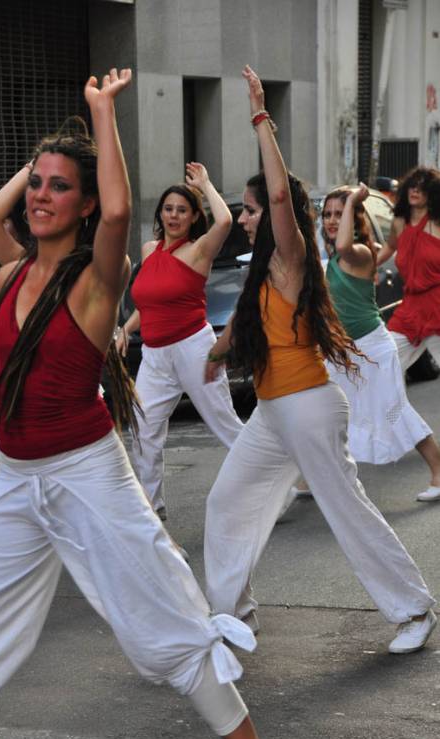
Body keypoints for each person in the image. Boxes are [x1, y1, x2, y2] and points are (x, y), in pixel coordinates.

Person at [0, 69, 300, 739]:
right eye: (35, 185)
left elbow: (115, 208)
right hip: (15, 478)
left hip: (87, 474)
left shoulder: (96, 282)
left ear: (82, 206)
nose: (38, 196)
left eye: (57, 188)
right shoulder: (12, 275)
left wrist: (99, 116)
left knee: (167, 632)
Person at [202, 65, 436, 656]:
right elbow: (245, 326)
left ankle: (414, 608)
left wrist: (260, 117)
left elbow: (281, 193)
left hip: (308, 404)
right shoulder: (263, 272)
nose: (247, 216)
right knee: (227, 501)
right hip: (274, 410)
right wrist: (215, 352)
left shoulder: (293, 256)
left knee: (344, 508)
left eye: (250, 210)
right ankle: (234, 615)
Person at [116, 164, 243, 521]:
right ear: (160, 213)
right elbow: (149, 302)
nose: (174, 215)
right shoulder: (150, 248)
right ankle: (152, 514)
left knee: (224, 424)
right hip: (155, 356)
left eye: (182, 210)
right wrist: (125, 329)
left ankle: (272, 485)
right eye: (168, 208)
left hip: (194, 348)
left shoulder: (199, 250)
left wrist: (205, 184)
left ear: (192, 218)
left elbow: (225, 223)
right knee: (143, 431)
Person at [310, 184, 440, 501]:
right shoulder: (327, 258)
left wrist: (354, 198)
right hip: (340, 351)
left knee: (395, 412)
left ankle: (439, 472)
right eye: (327, 214)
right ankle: (305, 479)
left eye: (340, 214)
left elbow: (342, 246)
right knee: (322, 411)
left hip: (372, 349)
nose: (330, 220)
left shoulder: (361, 252)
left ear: (355, 219)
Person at [377, 167, 440, 391]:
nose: (415, 190)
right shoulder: (399, 223)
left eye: (422, 187)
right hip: (411, 307)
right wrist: (367, 267)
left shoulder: (437, 224)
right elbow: (389, 247)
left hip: (437, 304)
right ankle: (395, 419)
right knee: (387, 360)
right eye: (412, 185)